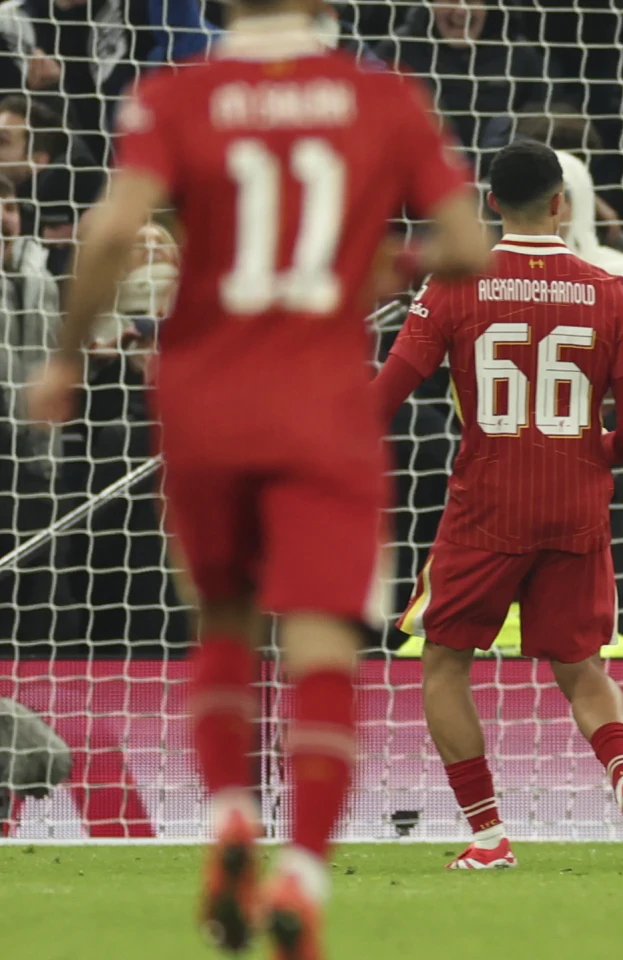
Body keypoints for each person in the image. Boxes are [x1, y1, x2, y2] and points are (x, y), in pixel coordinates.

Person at [25, 1, 490, 955]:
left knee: (224, 623)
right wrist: (382, 265)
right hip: (322, 405)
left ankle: (231, 818)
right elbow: (468, 246)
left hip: (204, 396)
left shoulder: (176, 94)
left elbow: (112, 231)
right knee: (321, 643)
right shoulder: (384, 96)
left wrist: (67, 357)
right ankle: (305, 874)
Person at [371, 139, 623, 872]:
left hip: (487, 501)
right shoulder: (611, 292)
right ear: (561, 204)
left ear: (488, 205)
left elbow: (382, 400)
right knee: (582, 667)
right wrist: (583, 454)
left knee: (446, 664)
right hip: (577, 505)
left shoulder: (455, 285)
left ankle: (488, 837)